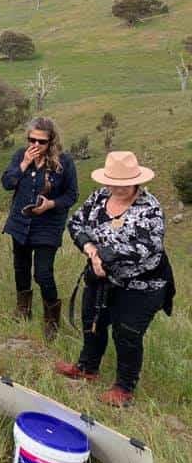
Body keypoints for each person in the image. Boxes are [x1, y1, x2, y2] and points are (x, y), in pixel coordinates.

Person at [55, 151, 175, 407]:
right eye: (113, 182)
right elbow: (76, 223)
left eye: (124, 183)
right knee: (92, 321)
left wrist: (105, 257)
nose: (117, 188)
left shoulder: (149, 208)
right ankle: (87, 367)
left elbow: (148, 246)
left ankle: (124, 387)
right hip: (100, 278)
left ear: (136, 181)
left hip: (142, 285)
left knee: (127, 333)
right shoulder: (99, 197)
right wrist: (91, 251)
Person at [1, 117, 79, 340]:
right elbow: (7, 183)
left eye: (41, 141)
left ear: (51, 141)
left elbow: (71, 195)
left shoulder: (64, 162)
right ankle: (23, 310)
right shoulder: (21, 155)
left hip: (48, 225)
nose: (35, 145)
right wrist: (24, 164)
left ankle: (51, 321)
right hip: (20, 222)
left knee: (43, 273)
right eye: (31, 139)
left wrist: (50, 204)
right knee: (21, 267)